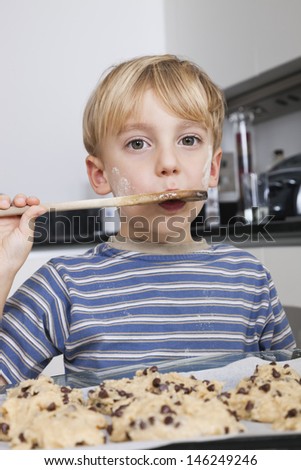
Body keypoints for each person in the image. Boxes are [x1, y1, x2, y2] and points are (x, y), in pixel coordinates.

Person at [0, 54, 296, 385]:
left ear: (212, 169)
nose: (168, 163)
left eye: (188, 140)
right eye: (138, 143)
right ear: (100, 175)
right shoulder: (65, 286)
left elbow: (287, 388)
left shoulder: (251, 279)